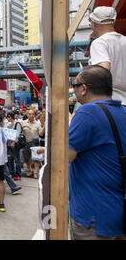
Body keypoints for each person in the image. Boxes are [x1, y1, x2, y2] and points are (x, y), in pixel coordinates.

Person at [69, 65, 125, 240]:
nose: (74, 90)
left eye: (75, 85)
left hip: (92, 215)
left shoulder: (87, 112)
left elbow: (64, 157)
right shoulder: (123, 111)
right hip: (117, 211)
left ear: (84, 88)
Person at [88, 6, 126, 104]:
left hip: (111, 103)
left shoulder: (100, 43)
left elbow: (103, 70)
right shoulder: (124, 40)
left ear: (94, 23)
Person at [21, 110, 41, 178]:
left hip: (35, 142)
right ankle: (30, 170)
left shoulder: (38, 123)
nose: (31, 115)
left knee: (36, 158)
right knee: (27, 157)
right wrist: (21, 129)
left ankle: (35, 172)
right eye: (30, 114)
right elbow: (20, 132)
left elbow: (40, 133)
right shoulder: (23, 123)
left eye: (33, 114)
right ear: (27, 115)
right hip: (27, 142)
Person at [6, 111, 22, 180]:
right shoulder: (9, 125)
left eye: (8, 117)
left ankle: (18, 174)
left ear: (10, 117)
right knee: (10, 159)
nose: (7, 118)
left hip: (14, 145)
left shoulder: (17, 124)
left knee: (17, 159)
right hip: (9, 144)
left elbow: (17, 134)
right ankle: (12, 173)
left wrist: (14, 142)